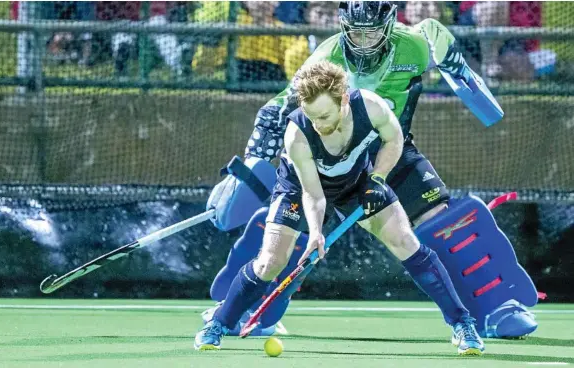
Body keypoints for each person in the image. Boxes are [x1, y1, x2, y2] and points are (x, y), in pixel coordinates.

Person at [206, 1, 538, 340]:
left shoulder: (414, 46)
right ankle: (245, 309)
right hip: (326, 157)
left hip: (387, 149)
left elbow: (439, 47)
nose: (364, 42)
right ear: (344, 25)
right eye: (356, 32)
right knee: (286, 239)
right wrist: (254, 158)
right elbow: (281, 106)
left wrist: (454, 61)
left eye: (373, 32)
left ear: (390, 24)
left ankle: (495, 306)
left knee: (443, 218)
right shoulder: (326, 55)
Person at [195, 61, 484, 356]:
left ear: (344, 99)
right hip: (299, 189)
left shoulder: (371, 107)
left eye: (324, 115)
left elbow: (394, 139)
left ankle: (463, 325)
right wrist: (317, 233)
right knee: (270, 262)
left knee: (405, 241)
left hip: (356, 181)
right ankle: (218, 324)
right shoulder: (297, 135)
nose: (318, 125)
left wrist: (378, 179)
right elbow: (314, 194)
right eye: (311, 116)